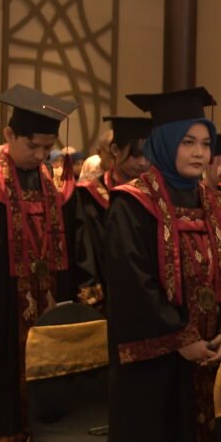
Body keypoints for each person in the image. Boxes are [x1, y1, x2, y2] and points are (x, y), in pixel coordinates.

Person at [103, 87, 221, 442]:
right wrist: (180, 338)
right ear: (164, 143)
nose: (200, 153)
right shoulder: (132, 204)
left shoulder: (218, 205)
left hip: (212, 357)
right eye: (188, 142)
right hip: (157, 367)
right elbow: (132, 283)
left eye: (206, 143)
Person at [0, 85, 77, 442]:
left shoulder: (56, 187)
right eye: (32, 145)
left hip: (44, 312)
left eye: (47, 148)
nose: (40, 155)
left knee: (40, 401)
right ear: (8, 135)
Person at [73, 116, 152, 308]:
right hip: (110, 293)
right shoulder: (91, 194)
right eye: (135, 155)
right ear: (115, 150)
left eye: (148, 155)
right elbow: (86, 252)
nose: (143, 163)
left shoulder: (155, 193)